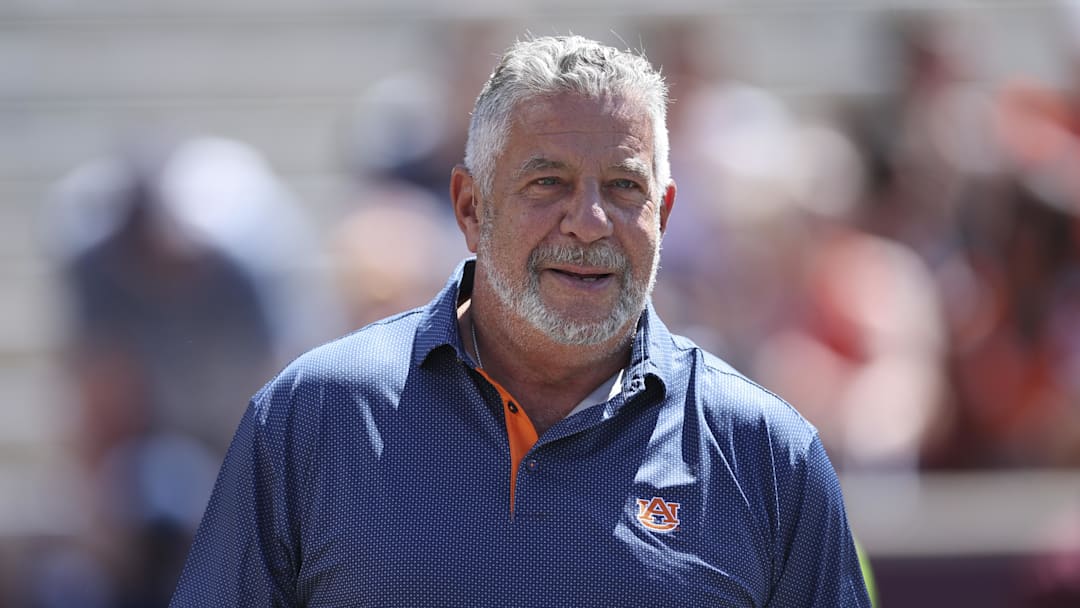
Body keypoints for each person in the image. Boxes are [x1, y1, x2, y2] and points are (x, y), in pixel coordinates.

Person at [170, 35, 872, 607]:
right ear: (471, 209)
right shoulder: (313, 418)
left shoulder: (767, 455)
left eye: (624, 187)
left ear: (662, 214)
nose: (589, 221)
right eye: (548, 183)